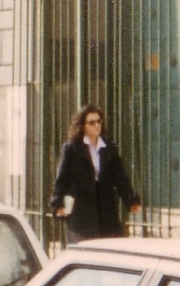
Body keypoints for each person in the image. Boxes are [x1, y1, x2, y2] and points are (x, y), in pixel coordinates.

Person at [49, 103, 141, 243]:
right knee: (85, 246)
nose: (97, 125)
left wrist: (131, 199)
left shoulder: (108, 147)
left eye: (99, 121)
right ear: (83, 126)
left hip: (105, 205)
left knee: (110, 245)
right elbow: (62, 179)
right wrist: (57, 204)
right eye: (91, 123)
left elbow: (120, 176)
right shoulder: (71, 149)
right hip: (81, 207)